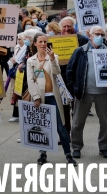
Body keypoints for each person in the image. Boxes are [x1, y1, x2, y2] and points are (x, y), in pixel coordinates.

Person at [28, 34, 77, 166]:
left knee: (60, 127)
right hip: (41, 99)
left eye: (45, 41)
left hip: (54, 97)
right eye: (41, 41)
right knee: (43, 127)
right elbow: (31, 81)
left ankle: (68, 155)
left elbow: (57, 72)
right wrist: (36, 97)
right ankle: (43, 154)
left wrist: (52, 59)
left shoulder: (53, 57)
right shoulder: (31, 61)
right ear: (35, 43)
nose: (43, 44)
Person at [66, 26, 107, 159]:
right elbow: (70, 71)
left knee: (105, 123)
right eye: (96, 34)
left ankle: (103, 148)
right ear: (90, 35)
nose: (99, 36)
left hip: (102, 92)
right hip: (84, 92)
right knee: (78, 122)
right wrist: (74, 88)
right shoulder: (80, 51)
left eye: (101, 34)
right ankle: (76, 146)